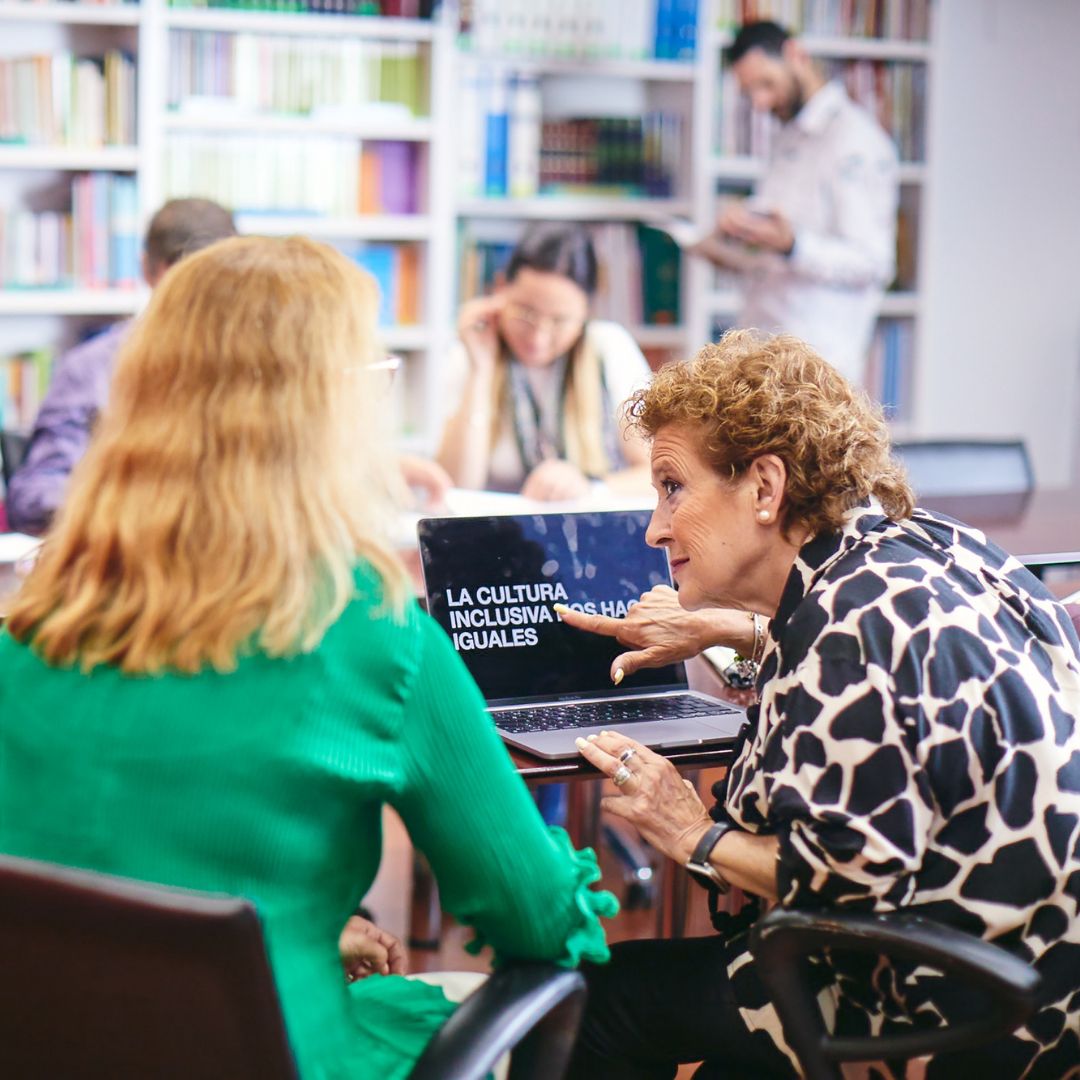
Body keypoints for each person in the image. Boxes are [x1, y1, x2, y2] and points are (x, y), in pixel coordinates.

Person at [0, 236, 616, 1078]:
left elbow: (113, 868)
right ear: (336, 411)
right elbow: (540, 921)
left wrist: (313, 921)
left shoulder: (32, 621)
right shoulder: (375, 636)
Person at [558, 331, 1080, 1078]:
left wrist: (687, 829)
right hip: (1046, 975)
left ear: (766, 489)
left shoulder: (848, 629)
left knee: (602, 1000)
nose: (655, 527)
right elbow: (897, 678)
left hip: (951, 1009)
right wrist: (742, 630)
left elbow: (844, 880)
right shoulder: (932, 549)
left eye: (673, 487)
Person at [6, 197, 238, 535]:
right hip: (129, 559)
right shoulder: (94, 368)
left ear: (144, 266)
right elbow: (33, 500)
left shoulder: (256, 365)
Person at [694, 20, 899, 385]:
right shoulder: (787, 138)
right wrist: (731, 245)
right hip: (764, 350)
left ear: (795, 55)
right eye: (749, 92)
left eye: (766, 84)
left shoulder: (855, 143)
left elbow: (873, 262)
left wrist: (793, 245)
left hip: (817, 366)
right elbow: (777, 254)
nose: (759, 102)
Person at [437, 223, 652, 501]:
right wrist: (480, 370)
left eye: (560, 321)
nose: (538, 337)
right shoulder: (472, 350)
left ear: (587, 310)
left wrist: (591, 489)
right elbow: (455, 485)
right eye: (526, 313)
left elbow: (655, 473)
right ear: (500, 289)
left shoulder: (608, 347)